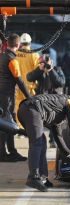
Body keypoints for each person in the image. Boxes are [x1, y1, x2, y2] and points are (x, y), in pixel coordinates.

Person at [18, 94, 70, 192]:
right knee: (37, 142)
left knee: (42, 141)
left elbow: (58, 136)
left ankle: (43, 178)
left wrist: (69, 155)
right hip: (32, 109)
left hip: (27, 110)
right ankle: (33, 177)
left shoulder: (58, 111)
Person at [0, 34, 31, 162]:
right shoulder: (12, 60)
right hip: (7, 97)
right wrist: (29, 97)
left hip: (2, 94)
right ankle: (3, 154)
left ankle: (11, 151)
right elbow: (19, 80)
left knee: (7, 122)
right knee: (7, 124)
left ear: (7, 44)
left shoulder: (1, 56)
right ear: (18, 45)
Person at [27, 54, 66, 148]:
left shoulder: (57, 69)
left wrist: (51, 70)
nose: (44, 65)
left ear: (51, 62)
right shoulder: (39, 72)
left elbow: (61, 83)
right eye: (42, 64)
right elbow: (29, 78)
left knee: (55, 122)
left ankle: (53, 141)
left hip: (54, 100)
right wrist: (39, 69)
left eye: (45, 63)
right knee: (38, 122)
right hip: (41, 100)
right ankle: (38, 140)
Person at [15, 33, 40, 127]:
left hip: (17, 85)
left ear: (21, 42)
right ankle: (27, 127)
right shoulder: (34, 55)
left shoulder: (16, 53)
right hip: (29, 87)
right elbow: (38, 71)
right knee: (29, 107)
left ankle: (18, 127)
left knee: (18, 106)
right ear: (30, 43)